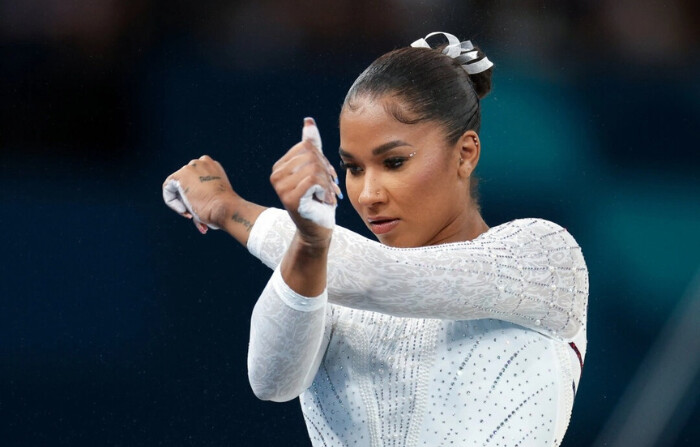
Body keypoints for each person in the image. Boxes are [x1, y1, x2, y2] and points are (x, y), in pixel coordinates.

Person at [162, 32, 588, 446]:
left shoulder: (544, 257)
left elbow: (380, 277)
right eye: (354, 168)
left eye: (395, 162)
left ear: (465, 153)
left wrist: (229, 208)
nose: (368, 195)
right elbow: (271, 381)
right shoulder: (326, 273)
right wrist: (307, 246)